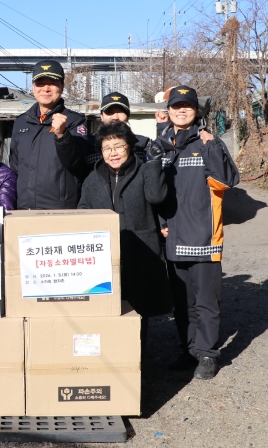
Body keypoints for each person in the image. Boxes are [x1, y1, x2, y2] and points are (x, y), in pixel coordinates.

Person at [155, 85, 239, 380]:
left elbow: (227, 181)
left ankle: (207, 354)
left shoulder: (208, 141)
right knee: (182, 303)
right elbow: (156, 190)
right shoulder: (162, 145)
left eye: (187, 106)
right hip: (174, 237)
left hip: (204, 237)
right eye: (176, 106)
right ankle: (189, 349)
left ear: (196, 110)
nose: (181, 110)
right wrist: (160, 222)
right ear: (168, 111)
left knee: (206, 302)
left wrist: (212, 147)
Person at [78, 122, 172, 354]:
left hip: (141, 251)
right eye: (107, 148)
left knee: (139, 312)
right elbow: (83, 212)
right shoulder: (93, 179)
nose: (113, 153)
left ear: (129, 146)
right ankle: (114, 356)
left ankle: (137, 360)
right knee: (107, 309)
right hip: (105, 258)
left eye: (119, 146)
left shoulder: (143, 171)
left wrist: (155, 164)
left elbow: (157, 196)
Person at [10, 60, 89, 210]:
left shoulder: (75, 121)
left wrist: (62, 135)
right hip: (24, 209)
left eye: (52, 83)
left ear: (62, 86)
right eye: (40, 83)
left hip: (60, 210)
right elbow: (15, 166)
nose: (46, 89)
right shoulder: (21, 122)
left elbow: (79, 165)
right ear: (33, 87)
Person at [86, 92, 151, 171]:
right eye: (110, 112)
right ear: (101, 116)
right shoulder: (87, 143)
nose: (115, 117)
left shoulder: (142, 143)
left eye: (120, 112)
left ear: (128, 116)